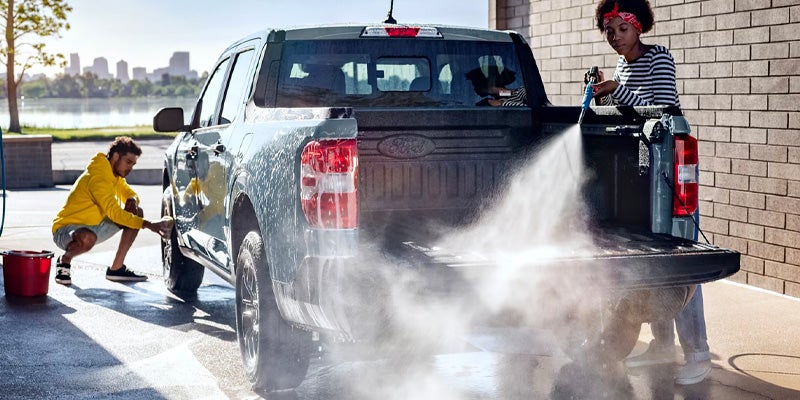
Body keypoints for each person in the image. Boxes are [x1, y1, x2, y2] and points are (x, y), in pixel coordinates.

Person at [591, 0, 712, 386]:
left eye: (621, 30)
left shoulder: (659, 58)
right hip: (639, 174)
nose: (614, 38)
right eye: (608, 31)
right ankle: (662, 345)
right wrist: (603, 95)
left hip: (666, 173)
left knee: (679, 264)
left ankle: (698, 352)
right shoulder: (621, 66)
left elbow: (663, 110)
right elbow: (628, 113)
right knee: (653, 262)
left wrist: (619, 92)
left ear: (638, 27)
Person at [51, 136, 173, 285]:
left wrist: (132, 200)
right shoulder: (98, 177)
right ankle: (65, 260)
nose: (130, 169)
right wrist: (149, 225)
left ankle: (116, 268)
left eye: (133, 164)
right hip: (66, 231)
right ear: (116, 156)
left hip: (95, 227)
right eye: (128, 162)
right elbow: (114, 213)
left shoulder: (115, 176)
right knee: (88, 237)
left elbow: (129, 192)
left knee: (136, 212)